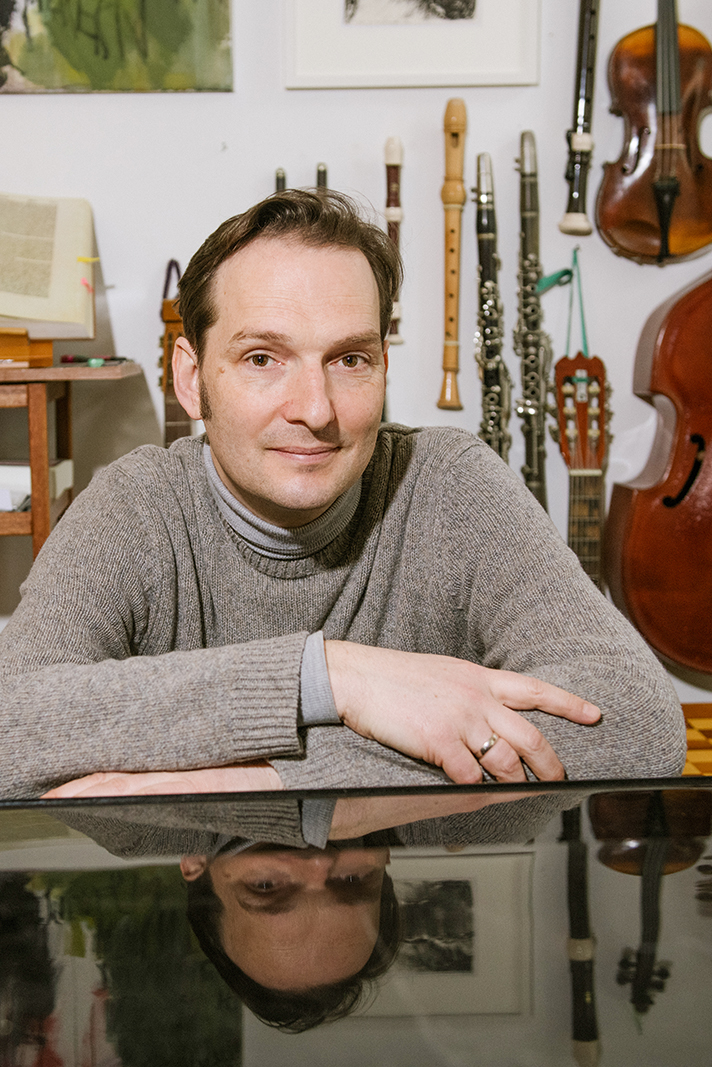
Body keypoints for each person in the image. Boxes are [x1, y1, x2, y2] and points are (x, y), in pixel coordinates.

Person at [0, 189, 685, 805]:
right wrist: (331, 676)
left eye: (349, 359)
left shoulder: (450, 485)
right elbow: (10, 724)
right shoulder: (134, 508)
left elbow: (639, 724)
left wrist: (257, 782)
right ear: (190, 378)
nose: (315, 409)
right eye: (262, 358)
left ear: (383, 364)